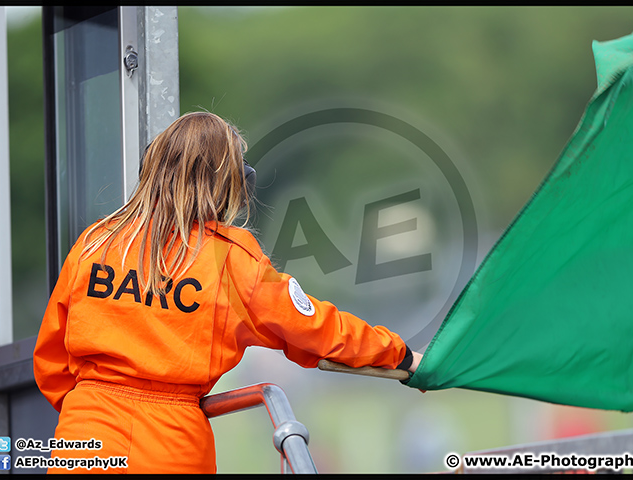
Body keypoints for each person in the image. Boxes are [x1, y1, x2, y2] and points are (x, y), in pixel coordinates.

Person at [33, 111, 422, 474]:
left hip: (83, 437)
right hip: (172, 443)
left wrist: (89, 410)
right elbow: (319, 329)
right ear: (232, 182)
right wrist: (400, 354)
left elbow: (50, 360)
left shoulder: (95, 242)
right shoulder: (231, 258)